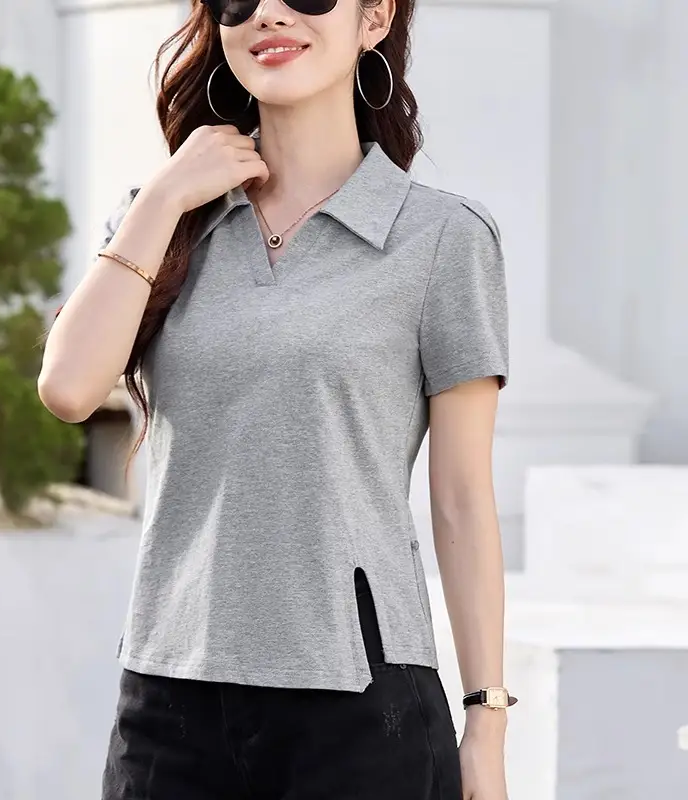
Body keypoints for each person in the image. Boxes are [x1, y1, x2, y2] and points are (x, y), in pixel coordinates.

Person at [38, 0, 516, 796]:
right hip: (169, 700)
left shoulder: (441, 237)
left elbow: (463, 501)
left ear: (374, 18)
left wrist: (487, 728)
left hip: (361, 705)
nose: (268, 12)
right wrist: (164, 196)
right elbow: (68, 388)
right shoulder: (165, 218)